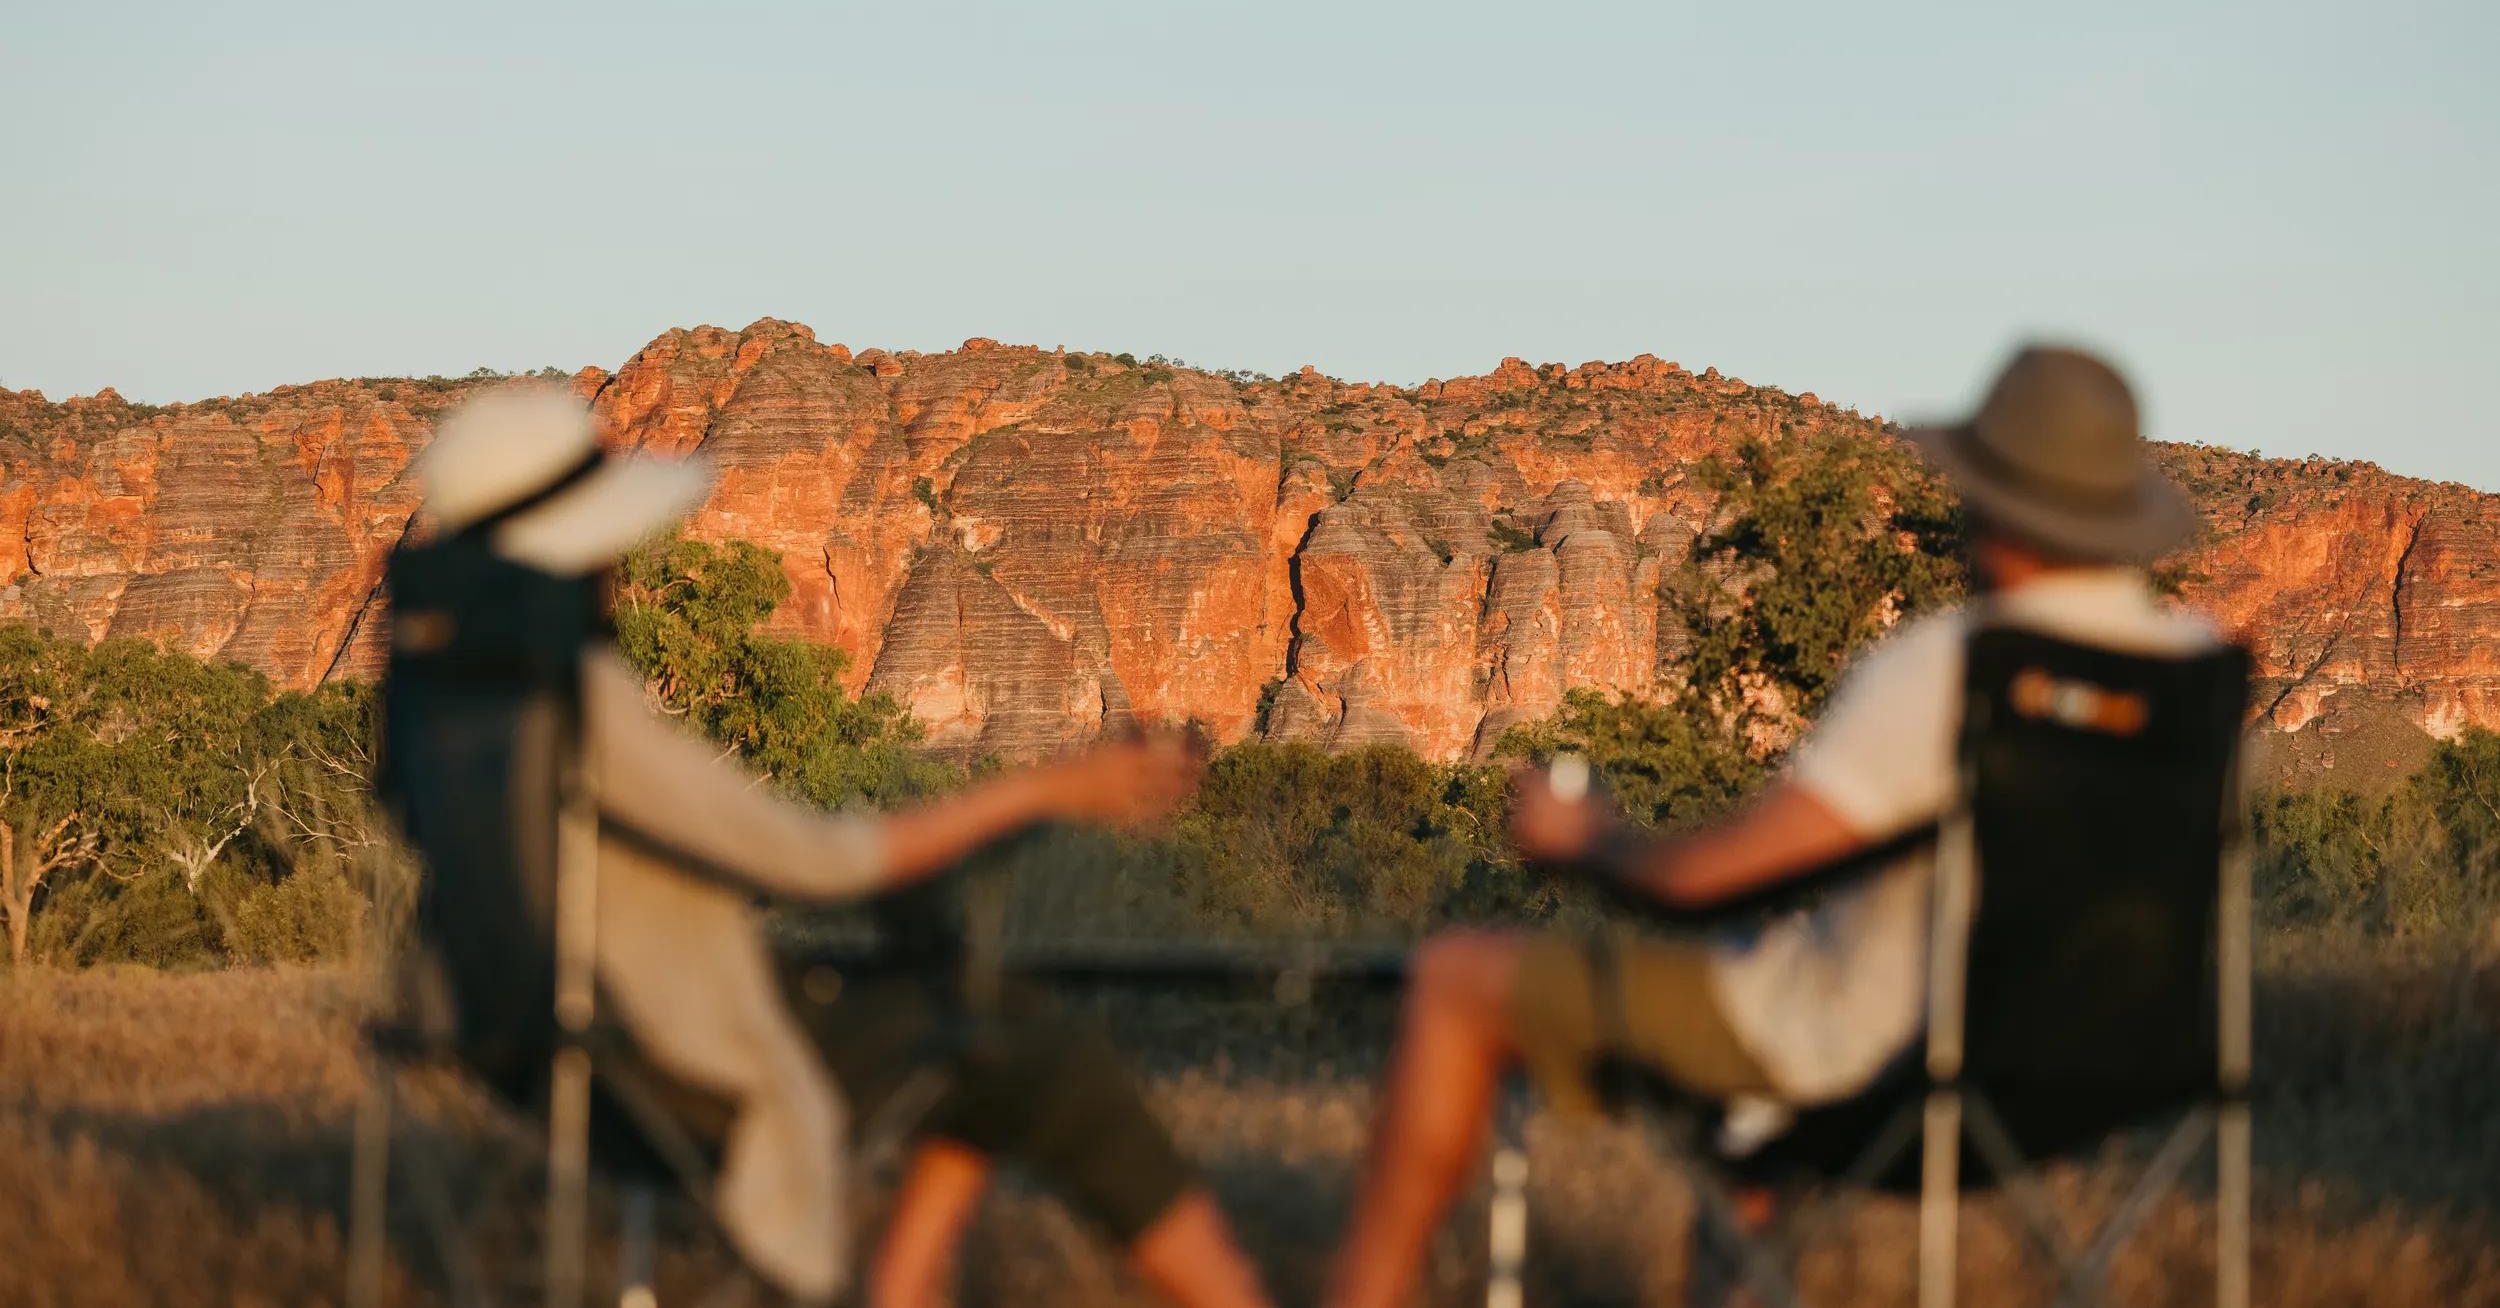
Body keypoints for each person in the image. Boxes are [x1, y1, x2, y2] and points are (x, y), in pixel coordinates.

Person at [1322, 344, 2220, 1308]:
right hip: (2107, 1081)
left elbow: (1711, 880)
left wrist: (1586, 842)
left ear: (1994, 504)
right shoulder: (2202, 673)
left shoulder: (1957, 667)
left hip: (1874, 1067)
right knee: (1747, 1079)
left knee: (1459, 978)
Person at [405, 386, 1273, 1308]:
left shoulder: (449, 690)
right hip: (669, 1062)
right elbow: (818, 865)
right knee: (1043, 1053)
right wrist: (1045, 790)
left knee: (981, 1018)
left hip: (535, 1050)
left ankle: (898, 1289)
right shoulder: (572, 697)